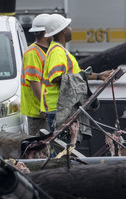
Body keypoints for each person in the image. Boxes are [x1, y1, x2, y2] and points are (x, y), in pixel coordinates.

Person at [41, 14, 111, 143]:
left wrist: (100, 76)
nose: (70, 29)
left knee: (66, 150)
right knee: (60, 153)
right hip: (59, 108)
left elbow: (78, 74)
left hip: (63, 107)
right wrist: (77, 78)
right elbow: (55, 77)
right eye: (68, 26)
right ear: (63, 30)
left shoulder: (61, 51)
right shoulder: (57, 51)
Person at [20, 13, 52, 137]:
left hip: (45, 110)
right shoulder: (33, 53)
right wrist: (44, 105)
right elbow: (34, 82)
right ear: (45, 33)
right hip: (38, 112)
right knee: (40, 149)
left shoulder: (47, 50)